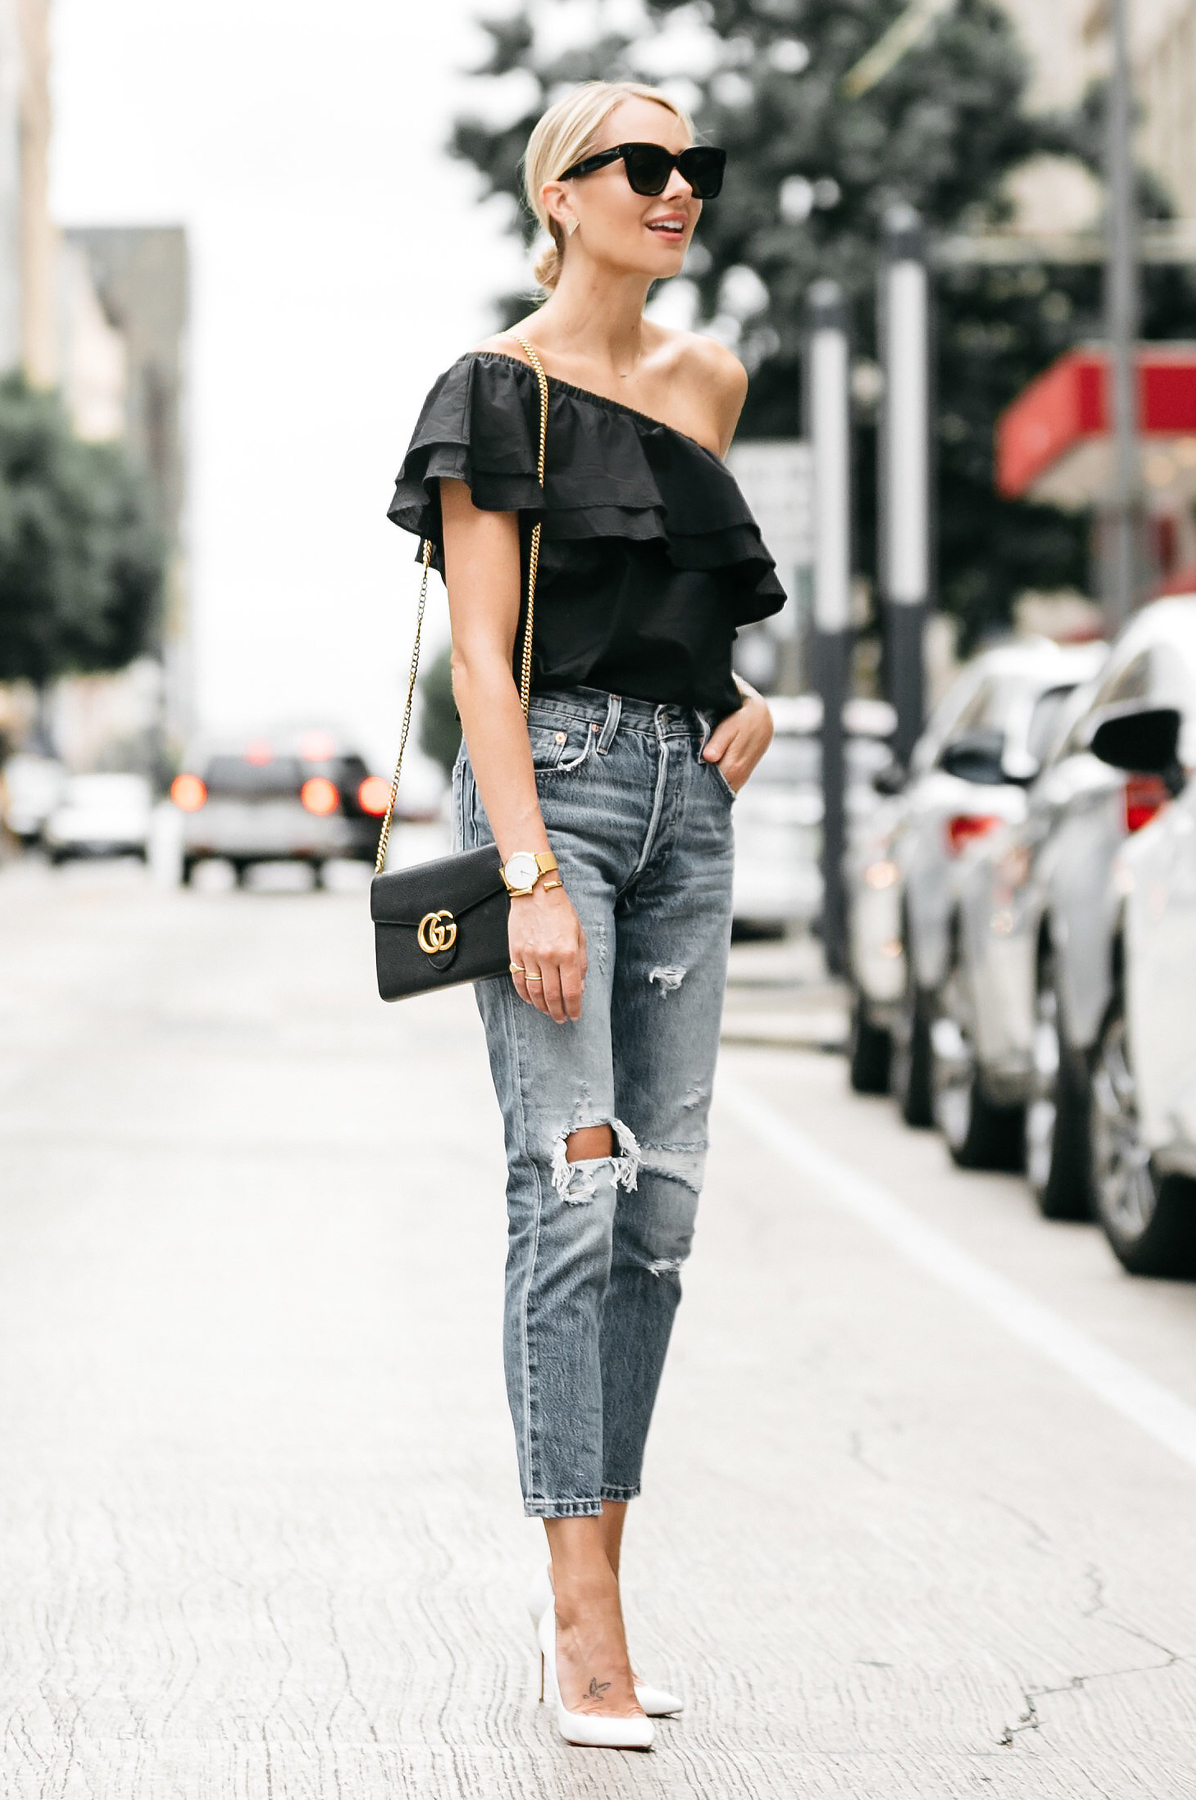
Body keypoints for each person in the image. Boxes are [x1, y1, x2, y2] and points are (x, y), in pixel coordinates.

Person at [388, 78, 784, 1750]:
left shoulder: (708, 379)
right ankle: (584, 1624)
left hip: (692, 802)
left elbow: (672, 593)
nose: (678, 189)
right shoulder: (497, 388)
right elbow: (486, 653)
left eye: (695, 165)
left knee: (661, 1212)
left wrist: (747, 695)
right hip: (547, 791)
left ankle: (599, 1578)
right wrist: (531, 872)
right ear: (562, 194)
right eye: (644, 165)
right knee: (571, 1184)